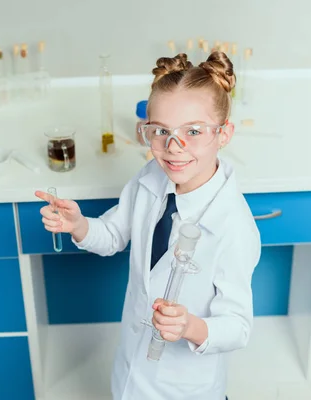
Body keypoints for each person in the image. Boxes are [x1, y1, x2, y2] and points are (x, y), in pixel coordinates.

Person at [35, 50, 262, 400]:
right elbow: (113, 235)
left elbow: (238, 327)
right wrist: (79, 225)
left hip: (184, 385)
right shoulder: (152, 177)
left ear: (224, 133)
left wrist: (189, 326)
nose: (173, 148)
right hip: (132, 369)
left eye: (194, 131)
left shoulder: (233, 225)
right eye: (160, 131)